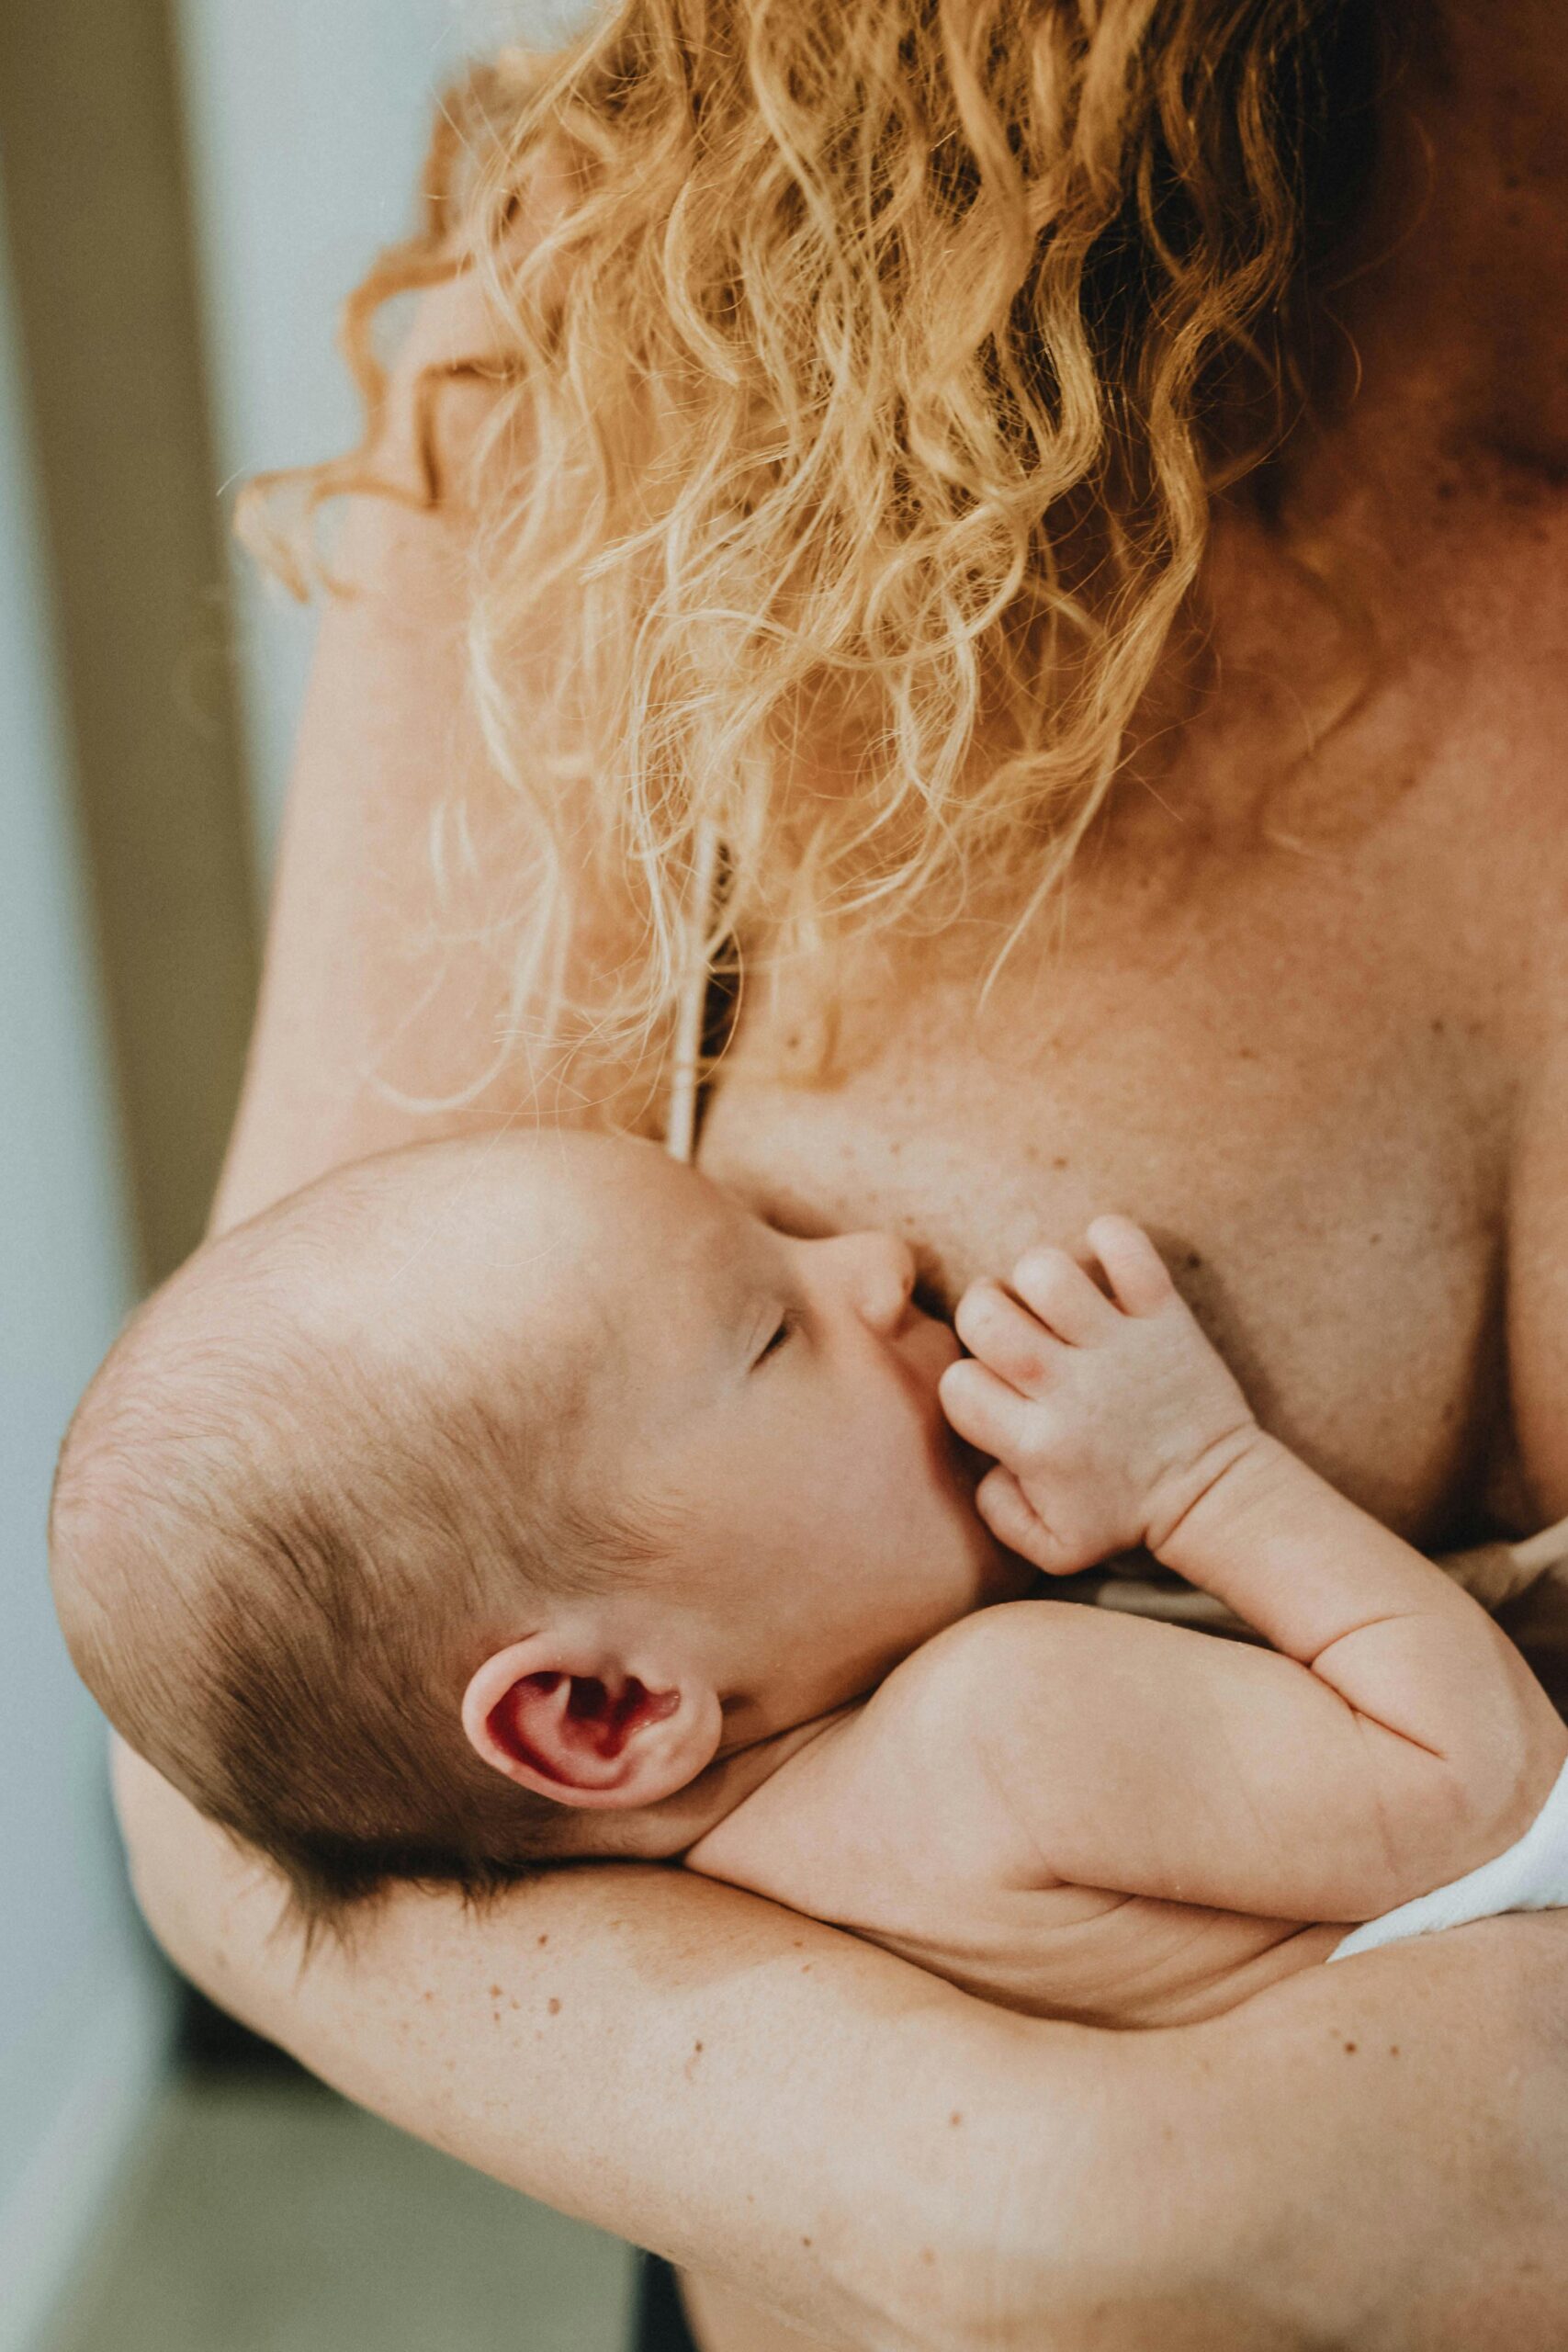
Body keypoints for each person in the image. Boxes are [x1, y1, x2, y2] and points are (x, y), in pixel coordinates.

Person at [109, 3, 1568, 2345]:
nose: (871, 1267)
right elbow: (254, 1740)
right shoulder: (687, 327)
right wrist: (1074, 2198)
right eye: (763, 1310)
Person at [53, 1129, 1568, 2029]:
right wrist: (1198, 1477)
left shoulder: (782, 1872)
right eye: (773, 1328)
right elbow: (1488, 1782)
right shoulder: (1000, 1729)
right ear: (602, 1709)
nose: (876, 1262)